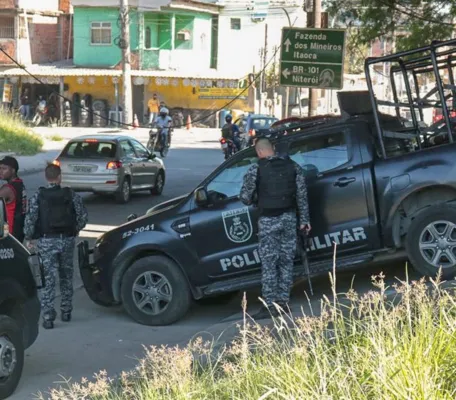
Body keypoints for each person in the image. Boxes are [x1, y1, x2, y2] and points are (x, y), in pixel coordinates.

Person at [239, 137, 311, 319]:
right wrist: (304, 220)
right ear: (273, 149)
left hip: (268, 220)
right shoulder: (293, 166)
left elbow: (245, 198)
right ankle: (283, 303)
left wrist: (257, 196)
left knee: (270, 263)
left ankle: (269, 306)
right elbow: (302, 196)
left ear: (259, 152)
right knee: (286, 261)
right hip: (289, 218)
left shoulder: (256, 169)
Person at [24, 163, 88, 330]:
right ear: (60, 177)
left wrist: (29, 236)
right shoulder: (71, 194)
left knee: (48, 278)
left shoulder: (39, 195)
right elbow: (83, 216)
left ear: (46, 177)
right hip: (66, 240)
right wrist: (74, 230)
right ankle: (66, 311)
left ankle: (48, 317)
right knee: (66, 275)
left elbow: (30, 219)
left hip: (47, 241)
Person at [0, 156, 27, 243]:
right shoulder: (20, 184)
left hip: (9, 234)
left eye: (4, 168)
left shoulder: (7, 189)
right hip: (18, 231)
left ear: (13, 170)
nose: (1, 171)